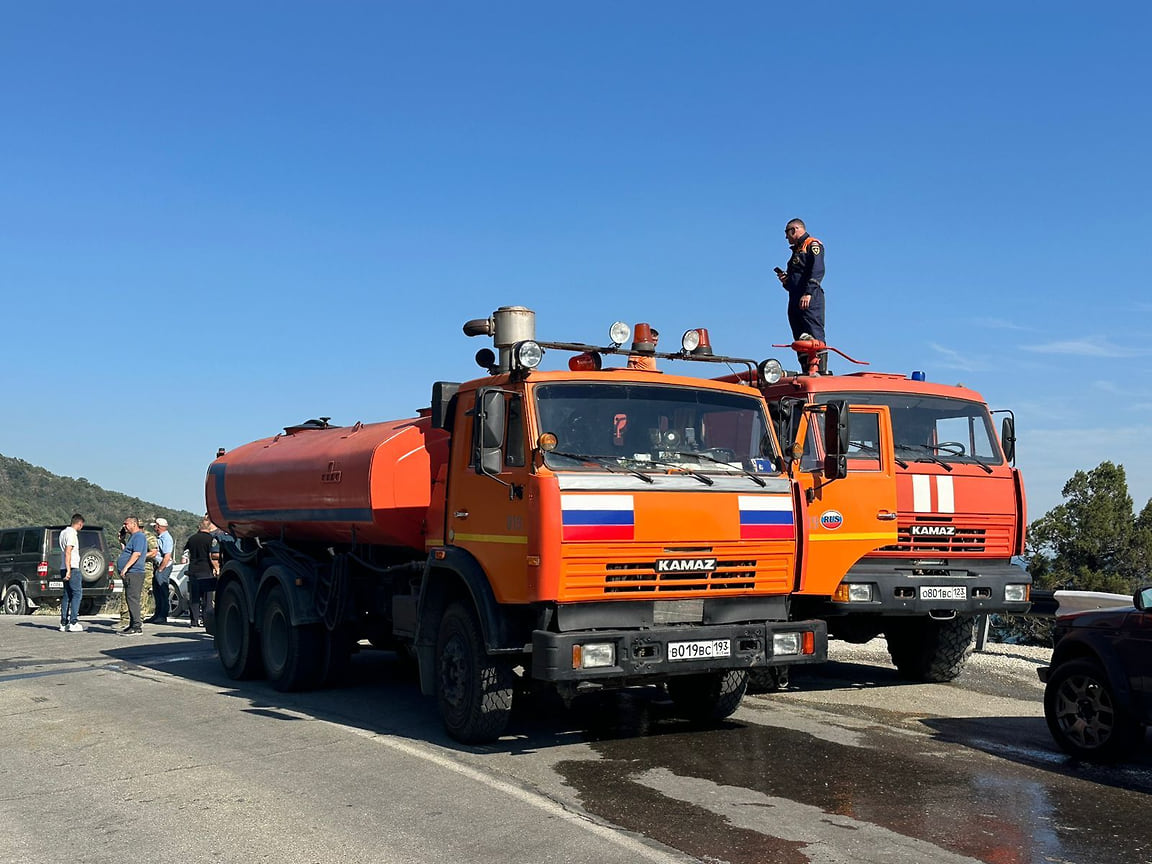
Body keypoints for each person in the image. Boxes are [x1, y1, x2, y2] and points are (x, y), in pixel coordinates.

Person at [776, 218, 827, 373]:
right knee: (799, 337)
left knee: (813, 333)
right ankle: (806, 369)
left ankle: (820, 370)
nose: (786, 237)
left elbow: (818, 270)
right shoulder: (796, 251)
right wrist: (786, 281)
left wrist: (809, 293)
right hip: (795, 299)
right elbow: (797, 278)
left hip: (809, 298)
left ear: (795, 230)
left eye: (787, 232)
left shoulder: (812, 245)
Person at [183, 517, 220, 627]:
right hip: (206, 570)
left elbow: (186, 551)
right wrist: (216, 568)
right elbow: (212, 555)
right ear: (209, 527)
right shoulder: (212, 539)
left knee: (194, 597)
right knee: (207, 599)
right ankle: (206, 620)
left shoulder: (192, 538)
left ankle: (194, 621)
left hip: (193, 570)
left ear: (199, 527)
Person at [116, 516, 148, 634]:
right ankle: (132, 624)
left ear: (134, 524)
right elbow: (127, 552)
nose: (124, 526)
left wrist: (125, 568)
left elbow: (136, 554)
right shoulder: (133, 538)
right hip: (131, 572)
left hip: (134, 572)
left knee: (133, 599)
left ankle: (136, 626)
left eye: (126, 524)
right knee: (129, 599)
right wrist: (122, 541)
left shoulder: (139, 536)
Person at [59, 513, 85, 632]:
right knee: (77, 594)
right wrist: (69, 570)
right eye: (81, 525)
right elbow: (68, 551)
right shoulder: (71, 534)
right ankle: (73, 621)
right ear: (79, 523)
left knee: (67, 594)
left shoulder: (63, 532)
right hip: (72, 567)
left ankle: (63, 622)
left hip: (63, 566)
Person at [147, 517, 174, 624]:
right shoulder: (160, 537)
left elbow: (167, 557)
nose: (154, 528)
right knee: (157, 591)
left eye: (155, 526)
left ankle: (162, 616)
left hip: (163, 566)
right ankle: (157, 614)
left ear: (159, 527)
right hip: (159, 566)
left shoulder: (166, 538)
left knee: (163, 591)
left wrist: (160, 569)